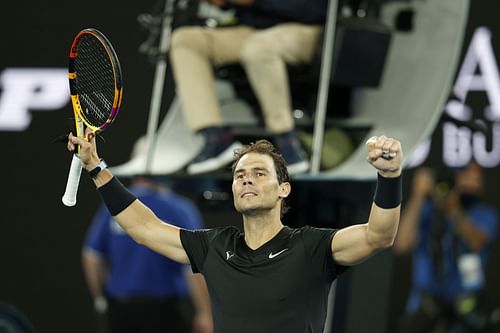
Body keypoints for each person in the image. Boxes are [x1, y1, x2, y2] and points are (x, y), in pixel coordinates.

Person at [68, 130, 403, 333]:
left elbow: (378, 236)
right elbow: (144, 228)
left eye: (259, 173)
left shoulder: (312, 246)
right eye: (240, 174)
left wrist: (389, 178)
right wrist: (97, 169)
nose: (246, 178)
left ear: (283, 189)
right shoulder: (215, 247)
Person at [169, 0, 328, 175]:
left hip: (306, 28)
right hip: (252, 29)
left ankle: (287, 143)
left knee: (259, 47)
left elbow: (316, 9)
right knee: (186, 39)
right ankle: (215, 137)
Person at [82, 176, 213, 333]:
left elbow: (91, 256)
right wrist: (204, 312)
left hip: (120, 310)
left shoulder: (114, 207)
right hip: (165, 312)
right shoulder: (179, 208)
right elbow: (194, 266)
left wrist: (101, 299)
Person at [393, 164, 498, 333]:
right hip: (425, 309)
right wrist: (418, 196)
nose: (474, 185)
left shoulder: (485, 214)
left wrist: (452, 208)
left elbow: (477, 242)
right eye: (467, 178)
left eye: (478, 180)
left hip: (465, 309)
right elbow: (401, 245)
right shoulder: (428, 211)